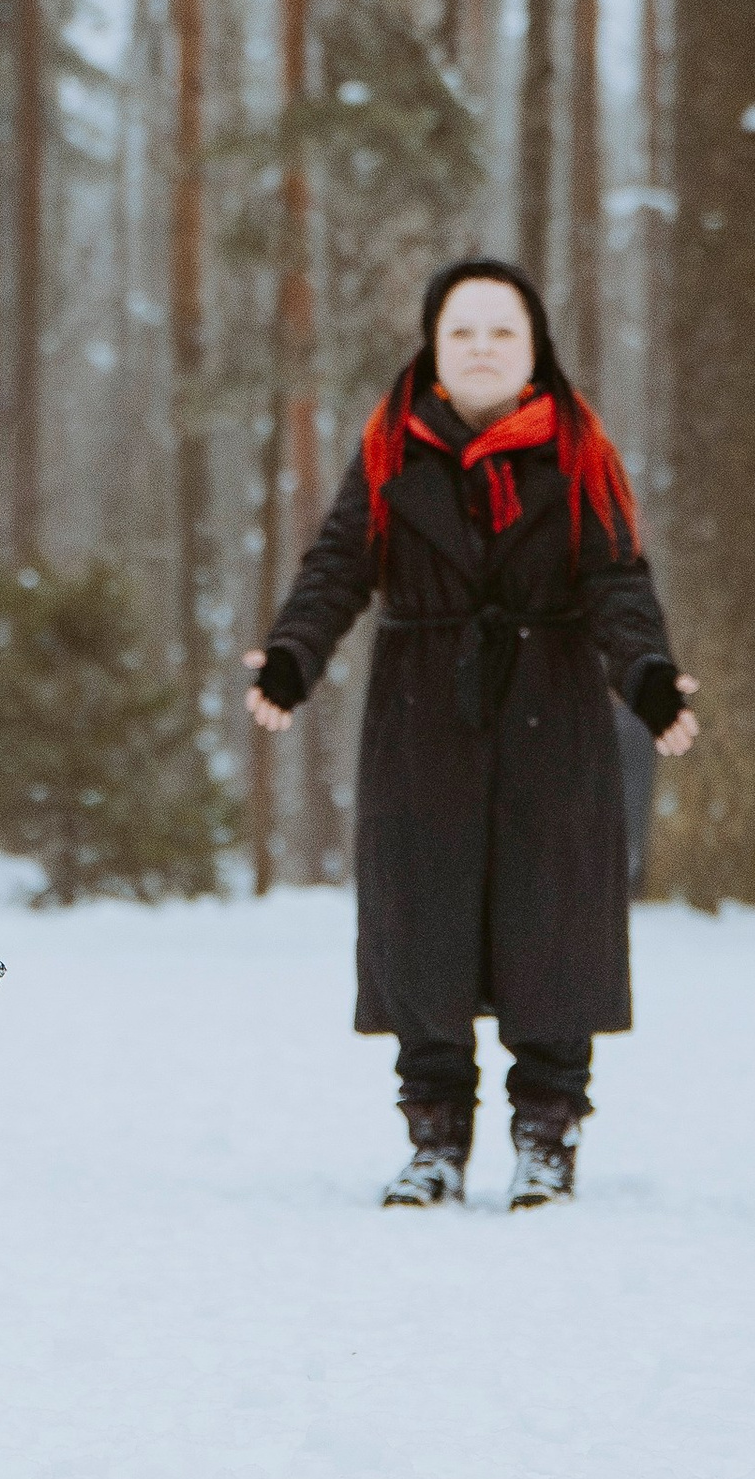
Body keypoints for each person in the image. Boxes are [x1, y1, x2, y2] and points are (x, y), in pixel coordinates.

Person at [245, 259, 697, 1209]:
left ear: (534, 349)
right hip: (424, 718)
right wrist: (293, 656)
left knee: (553, 930)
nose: (482, 347)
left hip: (552, 716)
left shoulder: (580, 451)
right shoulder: (389, 449)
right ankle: (434, 1142)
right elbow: (338, 566)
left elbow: (618, 581)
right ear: (434, 348)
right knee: (424, 931)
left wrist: (648, 677)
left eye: (502, 331)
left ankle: (547, 1138)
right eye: (463, 331)